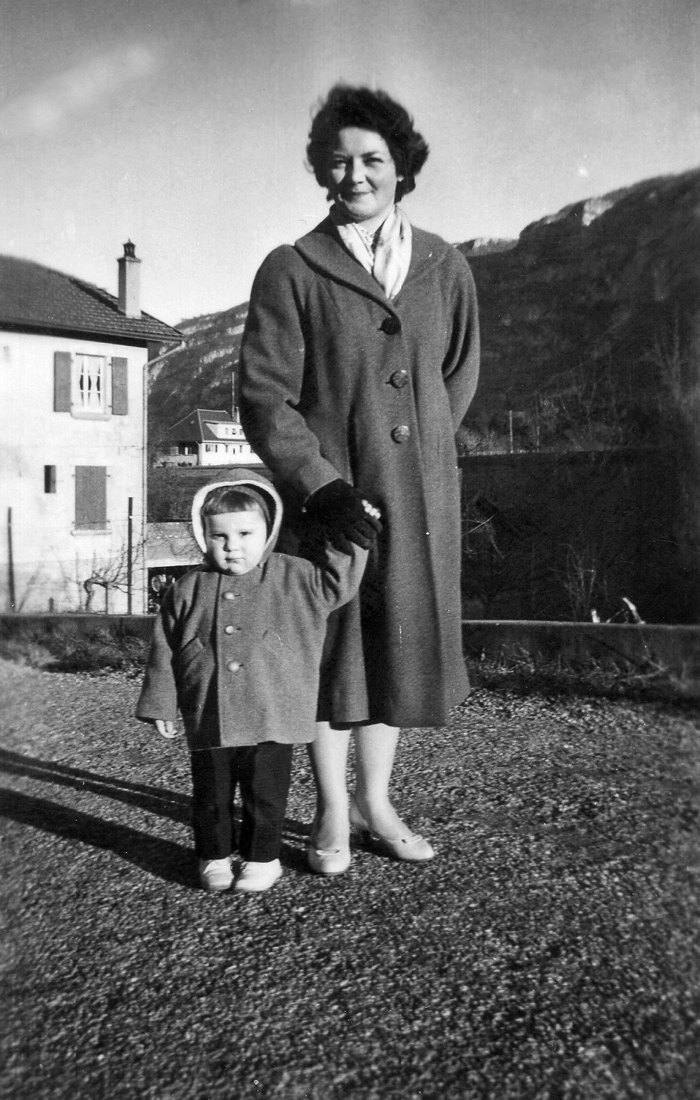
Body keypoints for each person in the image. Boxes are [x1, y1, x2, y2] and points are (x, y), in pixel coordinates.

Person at [239, 84, 480, 876]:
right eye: (338, 161)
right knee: (335, 652)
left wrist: (424, 456)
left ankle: (377, 802)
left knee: (396, 650)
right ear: (321, 171)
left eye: (372, 159)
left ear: (401, 166)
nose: (356, 175)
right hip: (334, 501)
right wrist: (321, 482)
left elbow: (455, 374)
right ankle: (333, 811)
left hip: (415, 500)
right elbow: (264, 395)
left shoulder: (445, 265)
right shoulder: (292, 267)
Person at [135, 471, 370, 893]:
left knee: (265, 796)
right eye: (218, 535)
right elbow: (165, 648)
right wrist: (160, 703)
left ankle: (263, 858)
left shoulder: (296, 576)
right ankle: (214, 856)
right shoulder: (188, 588)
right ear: (201, 535)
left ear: (269, 532)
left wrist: (353, 536)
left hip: (272, 712)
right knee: (211, 795)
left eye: (245, 533)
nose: (232, 545)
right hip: (209, 714)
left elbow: (339, 582)